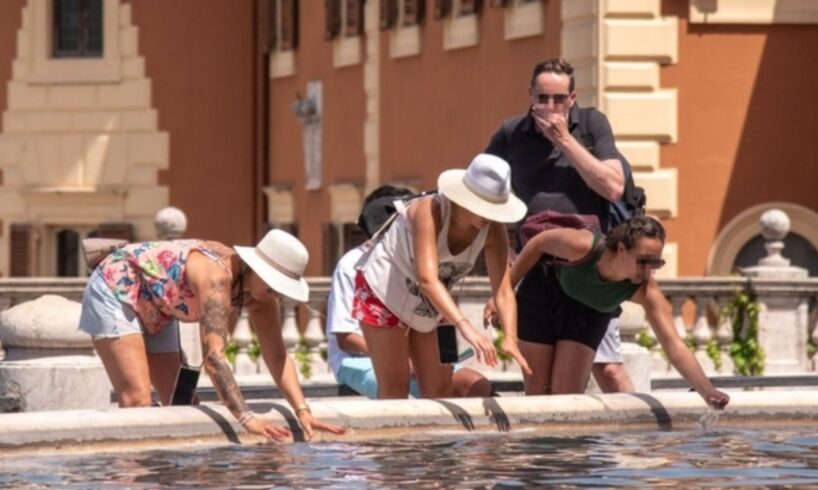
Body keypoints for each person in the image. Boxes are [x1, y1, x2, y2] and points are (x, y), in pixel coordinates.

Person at [79, 229, 347, 441]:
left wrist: (303, 411)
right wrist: (246, 418)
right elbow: (214, 358)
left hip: (160, 308)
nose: (277, 294)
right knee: (137, 401)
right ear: (254, 269)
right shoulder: (218, 280)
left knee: (181, 403)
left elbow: (277, 356)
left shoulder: (262, 297)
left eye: (282, 289)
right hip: (118, 287)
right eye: (274, 285)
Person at [483, 57, 633, 395]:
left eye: (559, 99)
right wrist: (505, 250)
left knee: (569, 392)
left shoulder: (592, 125)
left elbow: (613, 187)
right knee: (536, 389)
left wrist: (564, 139)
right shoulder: (511, 132)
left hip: (585, 270)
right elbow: (477, 194)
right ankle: (539, 451)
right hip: (535, 270)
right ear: (530, 95)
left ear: (572, 98)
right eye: (542, 98)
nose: (550, 107)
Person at [353, 154, 532, 399]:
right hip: (384, 291)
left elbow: (502, 290)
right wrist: (465, 326)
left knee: (440, 390)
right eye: (481, 206)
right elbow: (426, 278)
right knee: (395, 389)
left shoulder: (493, 230)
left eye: (493, 209)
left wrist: (511, 337)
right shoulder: (429, 209)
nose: (486, 216)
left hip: (432, 300)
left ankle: (436, 439)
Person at [506, 215, 730, 409]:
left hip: (588, 313)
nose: (648, 271)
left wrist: (707, 391)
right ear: (621, 249)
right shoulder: (583, 246)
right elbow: (538, 243)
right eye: (643, 261)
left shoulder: (645, 289)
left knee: (566, 396)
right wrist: (504, 292)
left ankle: (566, 458)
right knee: (537, 392)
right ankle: (538, 458)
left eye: (655, 263)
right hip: (544, 293)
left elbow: (674, 346)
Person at [327, 185, 492, 399]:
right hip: (357, 360)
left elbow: (441, 317)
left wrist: (447, 359)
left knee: (473, 385)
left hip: (414, 354)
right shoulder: (351, 264)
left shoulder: (431, 258)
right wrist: (403, 356)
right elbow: (345, 338)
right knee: (397, 387)